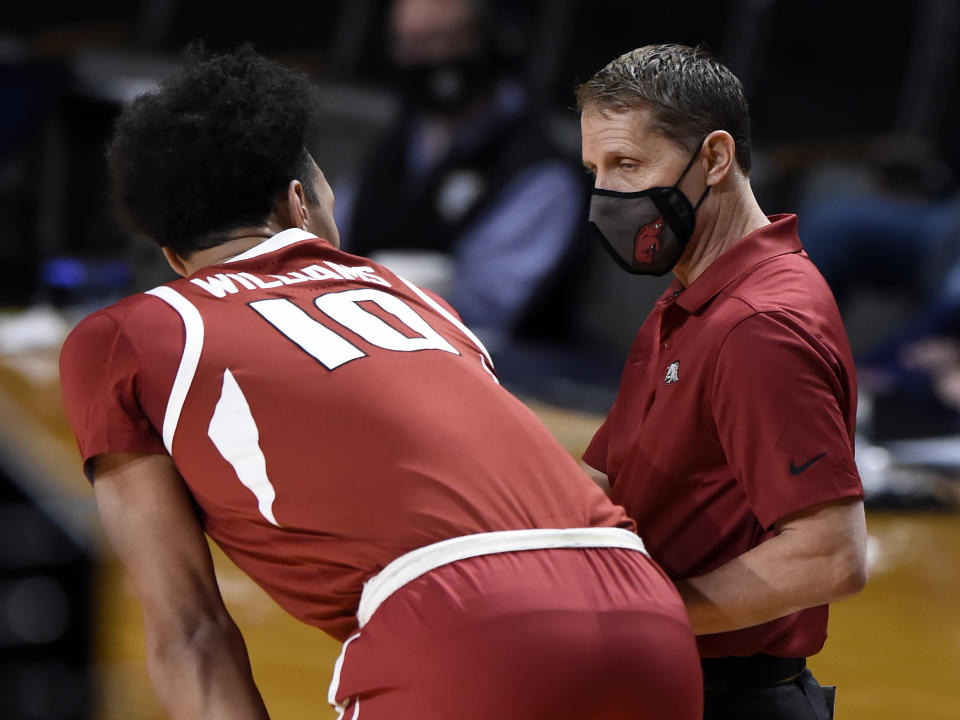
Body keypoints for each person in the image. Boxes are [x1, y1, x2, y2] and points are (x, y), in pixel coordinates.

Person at [57, 45, 702, 720]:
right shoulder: (415, 298)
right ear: (299, 203)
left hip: (462, 631)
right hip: (647, 615)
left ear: (173, 256)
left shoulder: (128, 335)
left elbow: (189, 632)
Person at [577, 44, 868, 720]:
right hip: (672, 683)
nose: (606, 196)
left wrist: (644, 616)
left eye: (627, 164)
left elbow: (829, 556)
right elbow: (605, 481)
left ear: (713, 158)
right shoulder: (694, 296)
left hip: (733, 698)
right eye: (594, 169)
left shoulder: (757, 324)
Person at [335, 0, 588, 350]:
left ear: (495, 38)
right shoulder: (398, 139)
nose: (421, 59)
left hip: (489, 377)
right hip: (360, 350)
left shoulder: (539, 171)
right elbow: (328, 240)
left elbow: (482, 310)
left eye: (439, 40)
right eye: (408, 43)